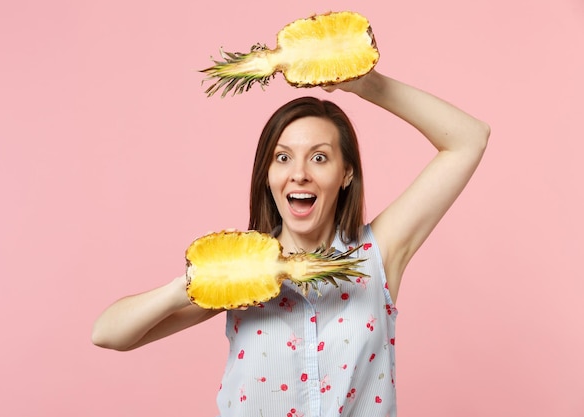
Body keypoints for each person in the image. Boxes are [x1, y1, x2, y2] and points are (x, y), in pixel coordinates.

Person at [92, 69, 490, 417]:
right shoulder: (240, 276)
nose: (299, 173)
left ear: (346, 173)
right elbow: (108, 333)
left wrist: (366, 84)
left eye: (319, 158)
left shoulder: (377, 254)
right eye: (283, 158)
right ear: (267, 174)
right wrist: (197, 281)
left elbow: (469, 139)